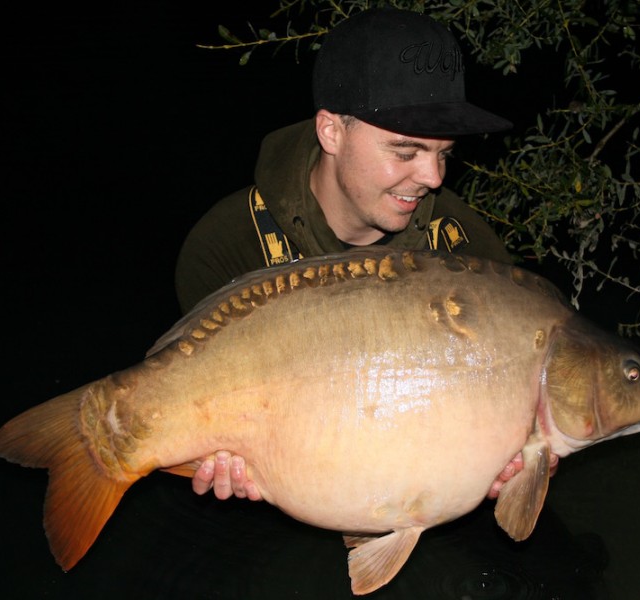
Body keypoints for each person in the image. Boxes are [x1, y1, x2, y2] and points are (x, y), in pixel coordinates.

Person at [174, 8, 552, 502]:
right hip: (275, 515)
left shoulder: (465, 247)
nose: (434, 178)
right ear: (331, 131)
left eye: (444, 154)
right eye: (405, 151)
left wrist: (505, 467)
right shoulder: (227, 244)